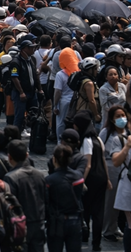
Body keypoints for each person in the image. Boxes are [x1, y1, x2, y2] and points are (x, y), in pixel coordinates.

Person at [72, 110, 111, 251]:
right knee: (98, 211)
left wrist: (81, 180)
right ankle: (96, 243)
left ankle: (86, 236)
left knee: (87, 210)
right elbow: (103, 160)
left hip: (91, 179)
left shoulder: (87, 141)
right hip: (101, 178)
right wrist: (107, 179)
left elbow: (87, 163)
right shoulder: (98, 138)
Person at [3, 140, 46, 252]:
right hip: (39, 224)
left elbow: (9, 207)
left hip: (21, 226)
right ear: (27, 155)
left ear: (9, 157)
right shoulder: (40, 175)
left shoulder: (10, 178)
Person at [45, 144, 85, 252]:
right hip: (75, 221)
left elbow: (46, 202)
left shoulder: (49, 181)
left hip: (56, 223)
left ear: (54, 159)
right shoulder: (78, 177)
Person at [99, 104, 129, 243]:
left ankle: (115, 226)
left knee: (122, 201)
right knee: (110, 200)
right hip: (110, 166)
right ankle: (107, 229)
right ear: (111, 119)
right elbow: (100, 151)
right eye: (118, 116)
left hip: (125, 169)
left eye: (123, 116)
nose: (121, 119)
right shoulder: (106, 133)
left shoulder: (127, 133)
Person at [8, 35, 44, 134]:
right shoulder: (16, 62)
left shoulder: (31, 59)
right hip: (21, 94)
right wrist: (21, 92)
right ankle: (15, 136)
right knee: (19, 116)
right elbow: (14, 78)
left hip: (32, 93)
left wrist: (39, 89)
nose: (33, 49)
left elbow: (35, 75)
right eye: (31, 47)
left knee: (34, 115)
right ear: (24, 49)